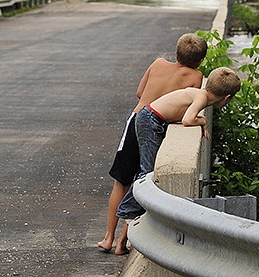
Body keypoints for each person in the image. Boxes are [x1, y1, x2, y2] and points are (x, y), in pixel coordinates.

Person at [97, 33, 208, 255]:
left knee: (121, 182)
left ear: (177, 51)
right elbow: (186, 110)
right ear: (200, 60)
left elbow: (139, 92)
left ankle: (108, 237)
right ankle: (122, 243)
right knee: (143, 179)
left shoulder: (157, 63)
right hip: (157, 128)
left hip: (136, 121)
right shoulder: (196, 76)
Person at [116, 66, 241, 221]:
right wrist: (203, 121)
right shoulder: (201, 98)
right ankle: (127, 209)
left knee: (149, 169)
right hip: (150, 120)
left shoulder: (199, 94)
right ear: (227, 97)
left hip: (150, 117)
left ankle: (131, 208)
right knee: (148, 171)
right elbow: (188, 120)